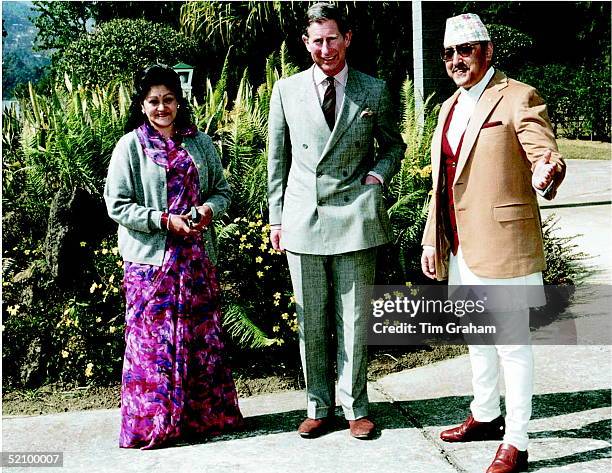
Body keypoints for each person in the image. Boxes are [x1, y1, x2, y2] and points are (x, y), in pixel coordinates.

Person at [420, 14, 565, 473]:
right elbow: (441, 184)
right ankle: (485, 414)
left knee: (511, 344)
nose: (456, 61)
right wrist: (432, 240)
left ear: (487, 51)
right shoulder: (447, 107)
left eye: (465, 50)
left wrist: (548, 170)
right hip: (460, 244)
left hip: (503, 243)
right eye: (448, 53)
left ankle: (517, 442)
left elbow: (543, 150)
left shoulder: (519, 96)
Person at [267, 3, 405, 440]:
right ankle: (317, 405)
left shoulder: (373, 89)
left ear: (347, 38)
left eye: (332, 38)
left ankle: (356, 407)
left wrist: (378, 176)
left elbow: (393, 146)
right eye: (316, 40)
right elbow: (277, 160)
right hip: (303, 217)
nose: (325, 49)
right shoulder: (286, 91)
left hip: (355, 217)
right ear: (306, 44)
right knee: (311, 319)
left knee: (353, 318)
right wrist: (276, 218)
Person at [104, 64, 242, 449]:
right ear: (142, 105)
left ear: (179, 102)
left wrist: (207, 211)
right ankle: (153, 427)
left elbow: (222, 191)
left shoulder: (199, 143)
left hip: (196, 260)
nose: (161, 107)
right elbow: (117, 204)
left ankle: (203, 420)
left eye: (168, 100)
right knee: (153, 345)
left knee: (200, 342)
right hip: (151, 265)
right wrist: (163, 220)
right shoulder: (130, 146)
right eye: (153, 101)